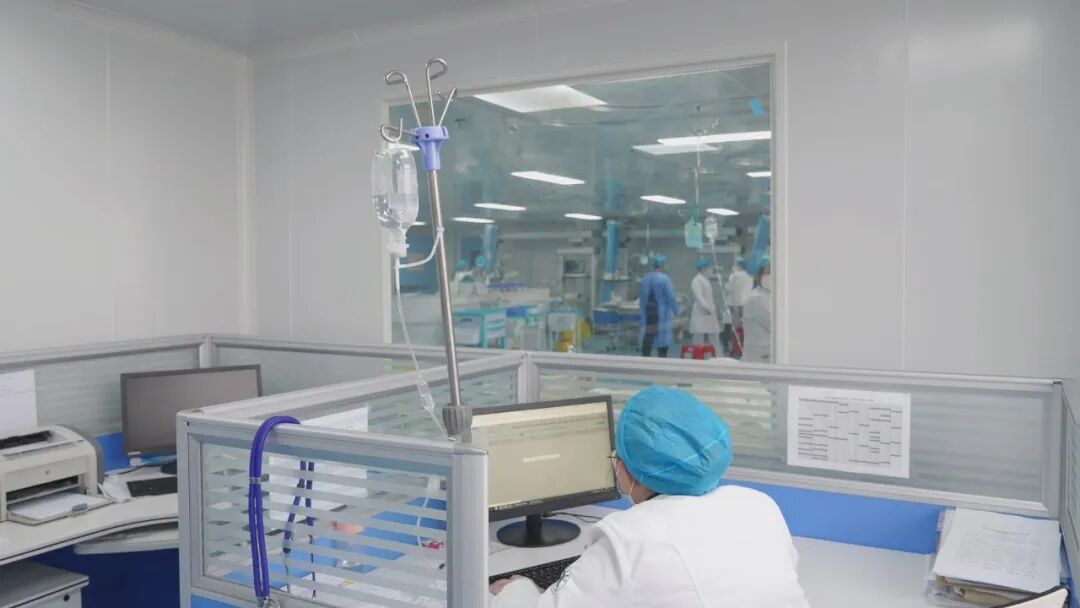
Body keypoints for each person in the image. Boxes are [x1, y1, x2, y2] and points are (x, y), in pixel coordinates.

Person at [490, 387, 808, 608]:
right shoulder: (758, 505)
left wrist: (515, 590)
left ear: (630, 471)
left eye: (619, 457)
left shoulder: (629, 537)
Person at [638, 254, 678, 357]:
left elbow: (642, 297)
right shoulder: (665, 279)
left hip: (647, 311)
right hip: (661, 313)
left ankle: (644, 359)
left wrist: (642, 309)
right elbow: (671, 297)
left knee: (648, 336)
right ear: (662, 265)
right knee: (662, 337)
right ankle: (662, 360)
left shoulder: (646, 278)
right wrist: (676, 311)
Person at [742, 256, 772, 363]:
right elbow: (774, 324)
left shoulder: (770, 296)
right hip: (758, 355)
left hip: (768, 352)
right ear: (758, 276)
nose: (771, 277)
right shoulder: (755, 298)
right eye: (767, 273)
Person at [689, 258, 721, 345]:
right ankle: (698, 354)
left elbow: (708, 297)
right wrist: (707, 308)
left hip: (709, 312)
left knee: (714, 334)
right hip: (701, 312)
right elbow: (699, 297)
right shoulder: (697, 280)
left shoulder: (705, 280)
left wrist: (713, 309)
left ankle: (715, 353)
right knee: (698, 337)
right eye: (709, 268)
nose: (710, 270)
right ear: (703, 269)